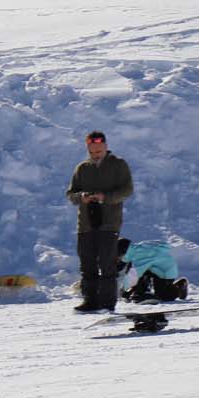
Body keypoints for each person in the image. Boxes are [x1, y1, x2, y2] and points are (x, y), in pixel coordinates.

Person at [65, 130, 133, 312]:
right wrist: (82, 197)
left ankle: (107, 303)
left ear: (106, 147)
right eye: (92, 152)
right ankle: (90, 301)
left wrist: (105, 197)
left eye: (99, 152)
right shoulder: (82, 168)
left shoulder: (118, 165)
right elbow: (70, 194)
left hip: (109, 222)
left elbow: (127, 190)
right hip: (86, 223)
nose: (95, 155)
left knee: (107, 264)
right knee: (87, 264)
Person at [117, 237, 188, 303]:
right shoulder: (134, 250)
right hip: (154, 269)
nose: (118, 258)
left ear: (123, 251)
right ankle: (140, 293)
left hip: (165, 272)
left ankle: (179, 287)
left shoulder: (142, 254)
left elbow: (134, 274)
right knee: (138, 273)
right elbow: (122, 263)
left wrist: (123, 290)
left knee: (165, 297)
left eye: (118, 255)